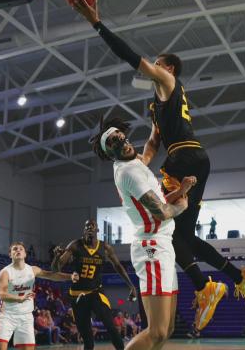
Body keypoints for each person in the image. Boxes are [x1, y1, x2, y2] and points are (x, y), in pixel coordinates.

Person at [72, 0, 245, 331]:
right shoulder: (156, 106)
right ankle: (239, 277)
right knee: (182, 233)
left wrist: (97, 24)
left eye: (159, 64)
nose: (154, 67)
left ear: (168, 69)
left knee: (170, 231)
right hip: (193, 159)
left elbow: (130, 57)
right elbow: (154, 142)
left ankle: (207, 287)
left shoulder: (168, 82)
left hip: (184, 156)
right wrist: (139, 164)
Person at [89, 117, 200, 349]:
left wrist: (157, 120)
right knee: (157, 330)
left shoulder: (135, 162)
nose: (120, 141)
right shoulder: (129, 172)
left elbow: (150, 147)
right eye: (112, 142)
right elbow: (160, 212)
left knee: (167, 329)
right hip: (151, 247)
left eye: (119, 135)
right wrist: (181, 205)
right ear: (109, 153)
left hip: (163, 244)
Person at [51, 219, 137, 350]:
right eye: (87, 226)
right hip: (78, 295)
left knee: (111, 327)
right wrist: (56, 257)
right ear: (84, 230)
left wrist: (131, 286)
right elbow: (56, 269)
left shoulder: (105, 247)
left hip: (96, 292)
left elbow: (118, 266)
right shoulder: (75, 245)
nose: (90, 228)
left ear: (97, 230)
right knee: (88, 340)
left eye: (92, 226)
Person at [0, 242, 78, 350]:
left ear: (25, 254)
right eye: (15, 249)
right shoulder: (5, 272)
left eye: (21, 249)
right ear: (10, 254)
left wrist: (70, 276)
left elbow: (51, 275)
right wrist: (19, 299)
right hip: (8, 316)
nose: (18, 250)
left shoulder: (32, 269)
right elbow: (2, 294)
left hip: (26, 317)